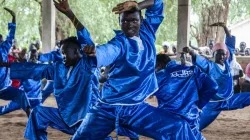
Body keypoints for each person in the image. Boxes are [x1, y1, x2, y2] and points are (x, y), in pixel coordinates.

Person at [53, 0, 196, 139]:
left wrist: (137, 5)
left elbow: (157, 3)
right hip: (107, 108)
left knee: (179, 127)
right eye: (124, 21)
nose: (129, 25)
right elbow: (108, 51)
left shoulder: (148, 31)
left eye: (134, 20)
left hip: (135, 108)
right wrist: (95, 52)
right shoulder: (120, 42)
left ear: (141, 19)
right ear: (119, 22)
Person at [184, 22, 250, 131]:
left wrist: (224, 27)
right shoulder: (210, 66)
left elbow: (230, 43)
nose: (222, 56)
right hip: (213, 104)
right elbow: (200, 60)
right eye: (219, 53)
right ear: (213, 54)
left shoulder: (228, 63)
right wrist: (191, 51)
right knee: (195, 127)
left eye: (224, 53)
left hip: (229, 100)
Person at [154, 54, 218, 140]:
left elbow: (142, 93)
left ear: (159, 65)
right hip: (192, 121)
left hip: (171, 125)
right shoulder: (193, 70)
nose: (154, 70)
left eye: (155, 67)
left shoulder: (160, 76)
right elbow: (213, 87)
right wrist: (199, 104)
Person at [0, 7, 29, 114]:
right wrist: (9, 64)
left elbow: (11, 35)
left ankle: (31, 116)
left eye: (2, 40)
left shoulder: (4, 48)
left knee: (21, 94)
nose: (2, 42)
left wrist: (14, 17)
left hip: (4, 87)